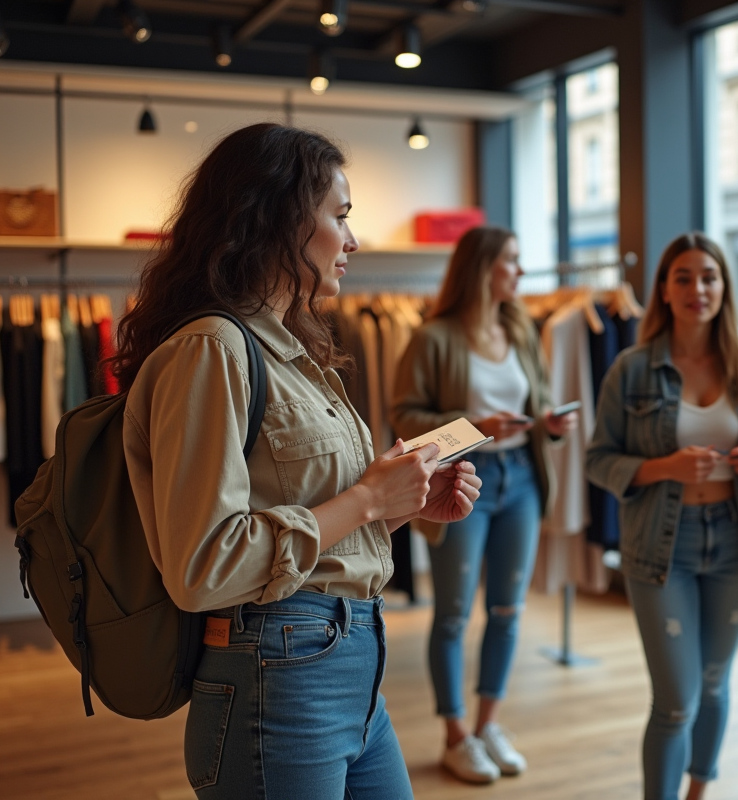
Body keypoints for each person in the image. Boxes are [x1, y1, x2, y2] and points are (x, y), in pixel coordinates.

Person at [116, 123, 482, 800]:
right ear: (278, 218)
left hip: (348, 666)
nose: (354, 241)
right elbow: (205, 568)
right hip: (278, 673)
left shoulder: (291, 351)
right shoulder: (213, 351)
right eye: (339, 216)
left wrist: (396, 509)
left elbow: (307, 534)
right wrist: (368, 500)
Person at [586, 232, 738, 800]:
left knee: (714, 684)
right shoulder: (633, 368)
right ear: (665, 290)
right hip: (661, 547)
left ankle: (699, 790)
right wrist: (664, 467)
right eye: (684, 278)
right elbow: (599, 461)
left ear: (724, 287)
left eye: (709, 277)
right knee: (676, 701)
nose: (698, 289)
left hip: (737, 541)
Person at [390, 226, 578, 784]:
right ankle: (456, 735)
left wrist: (547, 422)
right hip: (462, 480)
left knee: (507, 609)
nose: (520, 272)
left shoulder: (519, 328)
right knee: (452, 613)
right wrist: (477, 428)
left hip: (520, 477)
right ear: (482, 269)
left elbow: (534, 400)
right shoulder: (434, 337)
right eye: (512, 262)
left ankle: (489, 723)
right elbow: (405, 418)